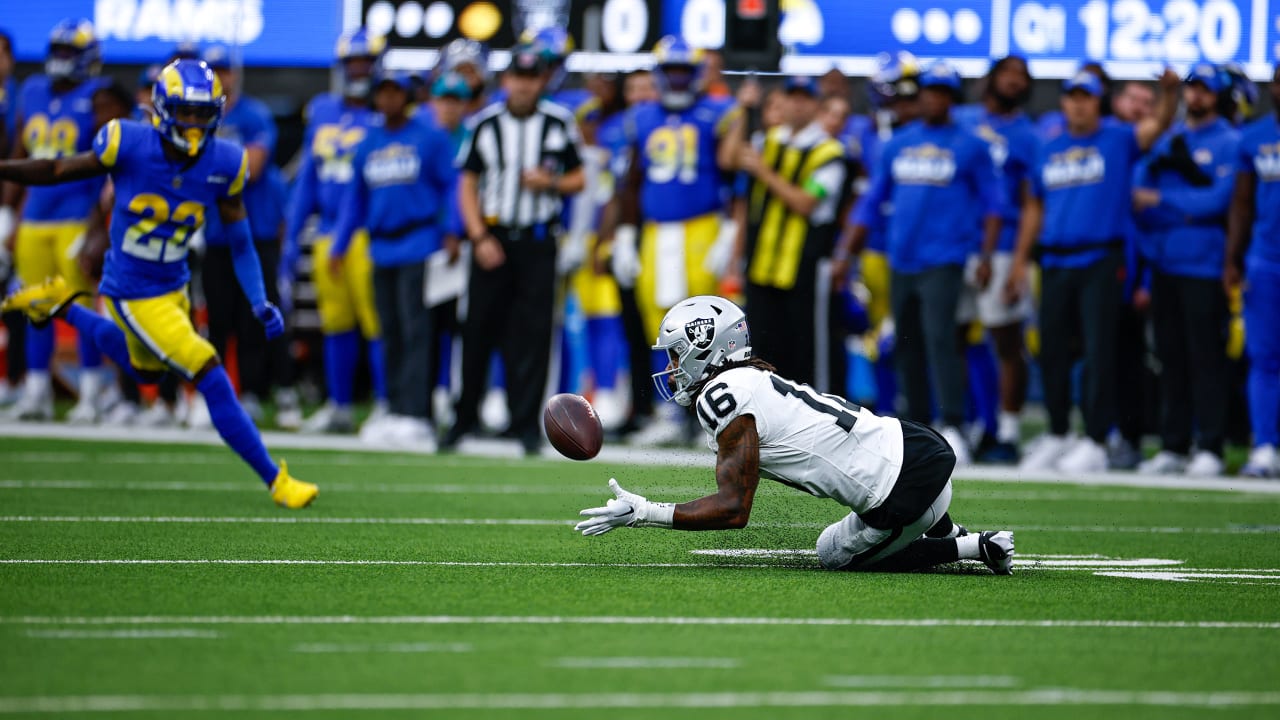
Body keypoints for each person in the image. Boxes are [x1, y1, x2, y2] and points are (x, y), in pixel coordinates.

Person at [0, 59, 316, 508]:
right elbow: (54, 170)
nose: (192, 123)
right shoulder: (125, 142)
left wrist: (259, 298)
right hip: (129, 286)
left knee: (145, 369)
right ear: (163, 109)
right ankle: (276, 479)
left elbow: (241, 242)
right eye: (184, 112)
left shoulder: (226, 161)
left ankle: (62, 305)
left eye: (201, 113)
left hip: (174, 284)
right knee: (207, 369)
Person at [574, 295, 1016, 575]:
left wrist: (645, 512)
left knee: (833, 554)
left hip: (902, 489)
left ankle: (970, 546)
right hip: (915, 448)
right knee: (866, 511)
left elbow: (733, 509)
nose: (671, 369)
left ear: (707, 348)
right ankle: (952, 532)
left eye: (676, 355)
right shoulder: (750, 377)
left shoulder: (722, 395)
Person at [1009, 68, 1179, 473]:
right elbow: (1034, 205)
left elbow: (1156, 127)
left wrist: (1170, 95)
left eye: (1086, 96)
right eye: (1072, 96)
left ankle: (1097, 439)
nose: (1078, 103)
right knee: (1050, 349)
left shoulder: (1118, 138)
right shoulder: (1048, 147)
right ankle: (1057, 432)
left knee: (1099, 349)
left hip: (1102, 258)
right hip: (1054, 259)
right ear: (1064, 101)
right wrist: (1019, 259)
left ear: (1098, 102)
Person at [840, 62, 1004, 466]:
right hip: (902, 259)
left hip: (945, 258)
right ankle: (917, 425)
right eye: (929, 91)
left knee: (942, 340)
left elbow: (994, 205)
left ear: (953, 98)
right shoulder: (898, 143)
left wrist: (984, 255)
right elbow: (872, 200)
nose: (934, 98)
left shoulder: (971, 145)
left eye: (943, 92)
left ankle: (953, 424)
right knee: (906, 344)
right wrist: (847, 251)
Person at [446, 45, 585, 455]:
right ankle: (463, 419)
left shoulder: (559, 122)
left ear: (541, 81)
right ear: (506, 80)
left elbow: (579, 178)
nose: (524, 85)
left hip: (539, 240)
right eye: (517, 77)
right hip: (494, 239)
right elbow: (467, 183)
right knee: (477, 331)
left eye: (531, 77)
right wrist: (478, 236)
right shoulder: (485, 123)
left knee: (534, 335)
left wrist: (551, 184)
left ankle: (525, 425)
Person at [612, 36, 740, 446]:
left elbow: (733, 177)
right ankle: (671, 410)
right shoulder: (641, 117)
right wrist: (627, 235)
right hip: (656, 230)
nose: (679, 79)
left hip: (702, 227)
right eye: (673, 72)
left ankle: (713, 410)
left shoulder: (717, 113)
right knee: (659, 323)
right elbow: (632, 181)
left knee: (708, 327)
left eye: (686, 71)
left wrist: (729, 234)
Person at [332, 69, 456, 446]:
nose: (388, 100)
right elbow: (355, 199)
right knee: (389, 332)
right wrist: (340, 245)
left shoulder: (430, 137)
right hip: (380, 247)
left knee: (417, 331)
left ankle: (417, 414)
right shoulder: (368, 143)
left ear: (407, 97)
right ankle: (394, 406)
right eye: (382, 93)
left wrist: (452, 230)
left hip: (419, 241)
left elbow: (450, 185)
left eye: (395, 93)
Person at [1132, 63, 1240, 477]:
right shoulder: (1170, 140)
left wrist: (1164, 202)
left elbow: (1219, 203)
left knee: (1206, 358)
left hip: (1205, 266)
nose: (1196, 96)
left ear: (1219, 95)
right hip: (1165, 263)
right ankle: (1174, 446)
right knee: (1171, 358)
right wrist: (1177, 207)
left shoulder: (1230, 141)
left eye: (1205, 90)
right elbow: (1137, 196)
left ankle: (1210, 445)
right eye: (1192, 88)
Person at [2, 19, 110, 422]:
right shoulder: (30, 91)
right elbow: (20, 151)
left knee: (81, 307)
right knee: (35, 307)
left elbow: (110, 167)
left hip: (75, 217)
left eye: (70, 52)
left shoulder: (99, 96)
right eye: (58, 51)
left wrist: (98, 226)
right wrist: (8, 211)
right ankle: (36, 392)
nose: (61, 61)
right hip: (34, 217)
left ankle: (92, 393)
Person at [286, 28, 389, 434]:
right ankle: (339, 405)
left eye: (366, 61)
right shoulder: (323, 110)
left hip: (367, 234)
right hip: (326, 232)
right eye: (354, 62)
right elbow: (308, 181)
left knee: (375, 325)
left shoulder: (384, 112)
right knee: (335, 324)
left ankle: (384, 405)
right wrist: (294, 234)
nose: (360, 69)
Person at [199, 44, 301, 430]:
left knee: (260, 316)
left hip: (256, 233)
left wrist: (205, 160)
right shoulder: (197, 114)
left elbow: (250, 169)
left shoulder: (254, 115)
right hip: (216, 234)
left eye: (225, 70)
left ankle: (263, 392)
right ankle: (220, 395)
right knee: (219, 320)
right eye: (214, 71)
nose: (221, 78)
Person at [953, 55, 1039, 463]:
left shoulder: (1028, 134)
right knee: (952, 338)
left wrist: (1021, 261)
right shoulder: (963, 119)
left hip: (1003, 244)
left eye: (1020, 77)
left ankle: (1006, 430)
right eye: (1006, 74)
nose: (1012, 82)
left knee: (1006, 339)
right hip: (953, 243)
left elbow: (1031, 200)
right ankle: (963, 423)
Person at [739, 75, 847, 391]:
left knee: (807, 347)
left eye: (805, 98)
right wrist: (744, 109)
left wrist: (763, 171)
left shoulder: (829, 153)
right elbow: (730, 157)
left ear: (816, 105)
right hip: (762, 263)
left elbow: (806, 202)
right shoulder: (768, 141)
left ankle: (819, 416)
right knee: (762, 347)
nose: (797, 105)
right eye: (791, 97)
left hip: (804, 267)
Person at [1226, 63, 1280, 478]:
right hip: (1266, 259)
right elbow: (1242, 202)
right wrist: (1233, 257)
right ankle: (1264, 446)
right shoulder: (1255, 137)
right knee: (1263, 357)